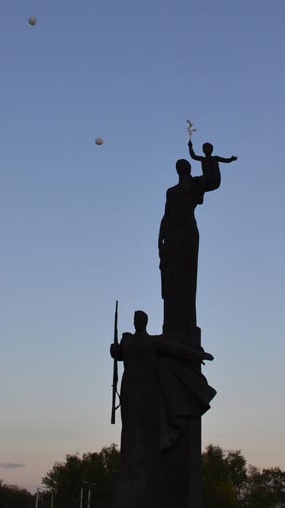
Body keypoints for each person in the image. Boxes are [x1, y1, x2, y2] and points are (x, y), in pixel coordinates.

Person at [110, 310, 215, 508]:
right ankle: (132, 472)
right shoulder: (128, 340)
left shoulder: (153, 342)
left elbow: (177, 350)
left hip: (147, 389)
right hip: (129, 389)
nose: (137, 322)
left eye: (140, 319)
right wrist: (114, 349)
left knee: (148, 430)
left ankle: (147, 469)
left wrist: (199, 354)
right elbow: (118, 354)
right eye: (135, 320)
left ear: (146, 322)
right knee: (130, 432)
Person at [158, 159, 206, 336]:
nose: (181, 167)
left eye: (184, 164)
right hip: (172, 235)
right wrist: (160, 238)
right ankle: (171, 324)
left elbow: (213, 180)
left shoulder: (195, 184)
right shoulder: (171, 192)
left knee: (187, 279)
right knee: (171, 279)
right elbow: (166, 215)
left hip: (188, 234)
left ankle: (187, 324)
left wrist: (208, 159)